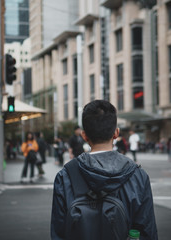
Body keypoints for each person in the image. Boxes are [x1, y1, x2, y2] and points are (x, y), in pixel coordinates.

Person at [51, 100, 158, 240]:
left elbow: (58, 232)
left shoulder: (65, 176)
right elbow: (147, 230)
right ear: (116, 133)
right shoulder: (137, 175)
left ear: (84, 136)